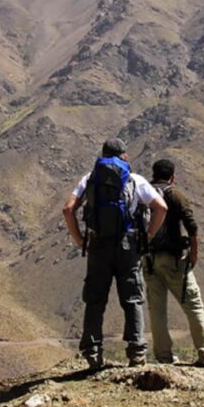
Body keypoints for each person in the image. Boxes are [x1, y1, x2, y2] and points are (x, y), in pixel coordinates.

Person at [62, 139, 167, 370]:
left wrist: (80, 240)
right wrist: (148, 236)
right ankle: (136, 352)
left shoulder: (90, 178)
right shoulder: (134, 179)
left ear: (103, 154)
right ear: (124, 156)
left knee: (95, 299)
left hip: (98, 245)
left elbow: (68, 209)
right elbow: (161, 207)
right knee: (132, 298)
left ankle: (92, 354)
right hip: (128, 244)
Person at [142, 159, 204, 368]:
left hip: (149, 259)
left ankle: (163, 355)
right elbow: (192, 226)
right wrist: (194, 254)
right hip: (173, 259)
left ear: (153, 174)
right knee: (193, 305)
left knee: (156, 309)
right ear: (172, 176)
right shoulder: (174, 194)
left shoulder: (144, 194)